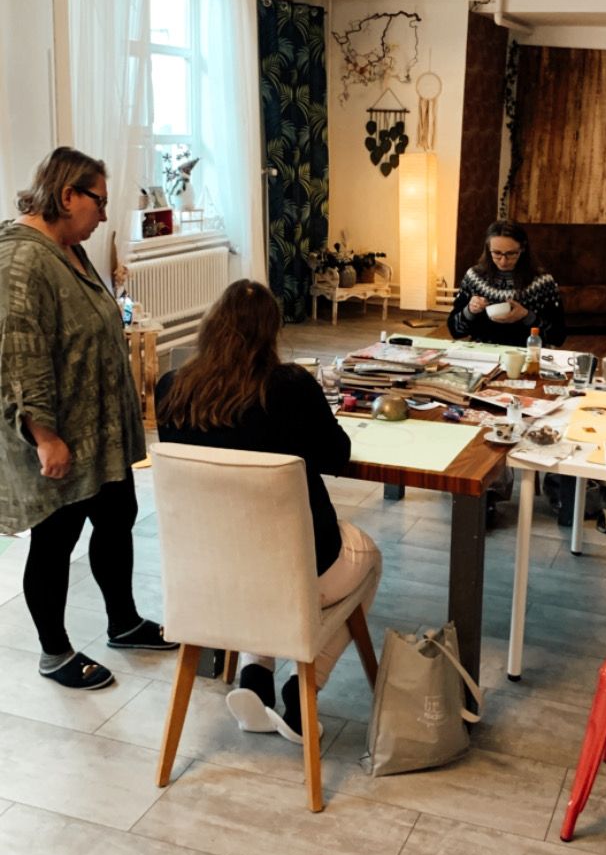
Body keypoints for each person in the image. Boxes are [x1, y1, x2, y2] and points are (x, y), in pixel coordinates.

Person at [155, 280, 381, 742]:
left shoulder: (172, 389)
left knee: (260, 570)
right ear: (271, 332)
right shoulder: (290, 386)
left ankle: (256, 679)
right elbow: (336, 455)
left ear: (210, 326)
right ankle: (305, 688)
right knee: (368, 559)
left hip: (211, 569)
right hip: (294, 566)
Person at [0, 148, 172, 690]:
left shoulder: (68, 248)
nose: (103, 215)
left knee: (117, 517)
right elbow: (20, 355)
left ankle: (123, 622)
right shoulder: (22, 260)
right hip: (61, 435)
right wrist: (45, 436)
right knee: (55, 540)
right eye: (98, 202)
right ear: (67, 194)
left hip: (100, 432)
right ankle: (54, 653)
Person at [448, 219, 565, 348]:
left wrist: (526, 316)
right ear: (488, 249)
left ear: (523, 248)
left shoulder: (542, 282)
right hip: (483, 351)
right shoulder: (474, 278)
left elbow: (558, 336)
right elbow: (455, 330)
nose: (503, 261)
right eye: (497, 253)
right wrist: (470, 310)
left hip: (526, 352)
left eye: (511, 253)